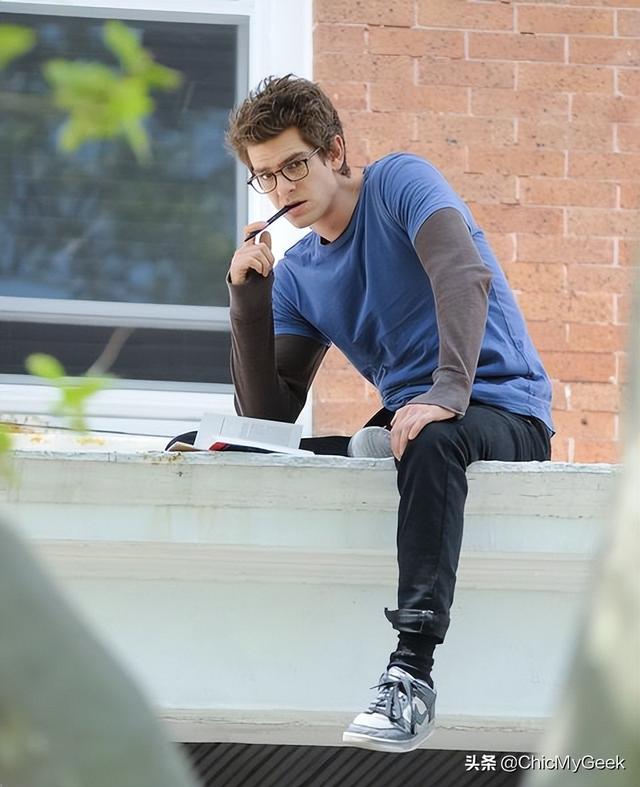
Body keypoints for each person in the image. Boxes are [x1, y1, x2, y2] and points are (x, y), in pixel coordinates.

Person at [224, 74, 553, 753]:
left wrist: (448, 391)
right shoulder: (300, 275)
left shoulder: (400, 182)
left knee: (430, 437)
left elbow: (462, 273)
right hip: (414, 422)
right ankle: (370, 448)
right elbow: (268, 416)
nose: (282, 188)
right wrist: (248, 300)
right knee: (253, 448)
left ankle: (411, 675)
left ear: (333, 150)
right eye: (266, 176)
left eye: (295, 165)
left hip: (501, 408)